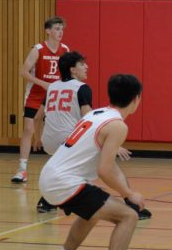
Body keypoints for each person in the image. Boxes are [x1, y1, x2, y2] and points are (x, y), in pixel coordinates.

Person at [39, 74, 148, 250]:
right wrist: (129, 195)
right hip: (64, 181)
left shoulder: (97, 114)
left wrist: (127, 191)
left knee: (93, 211)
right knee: (128, 217)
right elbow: (105, 170)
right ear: (137, 99)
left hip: (50, 176)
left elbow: (111, 166)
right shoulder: (117, 126)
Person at [32, 52, 150, 219]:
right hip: (71, 137)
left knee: (68, 169)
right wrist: (110, 141)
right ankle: (131, 202)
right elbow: (88, 116)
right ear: (73, 70)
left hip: (49, 139)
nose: (86, 67)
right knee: (108, 167)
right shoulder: (81, 87)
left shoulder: (52, 86)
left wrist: (38, 137)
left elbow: (37, 117)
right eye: (82, 64)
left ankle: (47, 200)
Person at [11, 16, 69, 184]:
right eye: (57, 29)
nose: (60, 32)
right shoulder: (38, 49)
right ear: (48, 31)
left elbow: (70, 72)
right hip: (35, 95)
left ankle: (60, 168)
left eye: (62, 29)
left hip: (55, 96)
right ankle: (22, 170)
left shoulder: (65, 50)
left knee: (57, 130)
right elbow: (23, 72)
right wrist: (42, 83)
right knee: (28, 128)